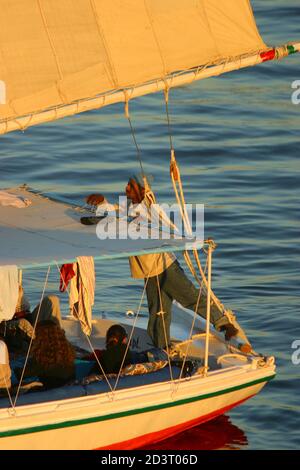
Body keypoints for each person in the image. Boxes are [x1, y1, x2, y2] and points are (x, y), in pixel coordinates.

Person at [86, 177, 239, 350]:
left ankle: (224, 324)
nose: (126, 188)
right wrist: (102, 202)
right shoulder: (128, 208)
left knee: (190, 297)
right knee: (158, 312)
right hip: (150, 271)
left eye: (131, 185)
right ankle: (162, 348)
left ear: (142, 190)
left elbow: (150, 208)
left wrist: (143, 195)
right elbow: (112, 213)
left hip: (166, 267)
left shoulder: (149, 208)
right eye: (127, 185)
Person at [15, 296, 75, 389]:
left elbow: (20, 374)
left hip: (48, 391)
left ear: (42, 341)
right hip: (65, 386)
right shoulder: (69, 356)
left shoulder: (42, 363)